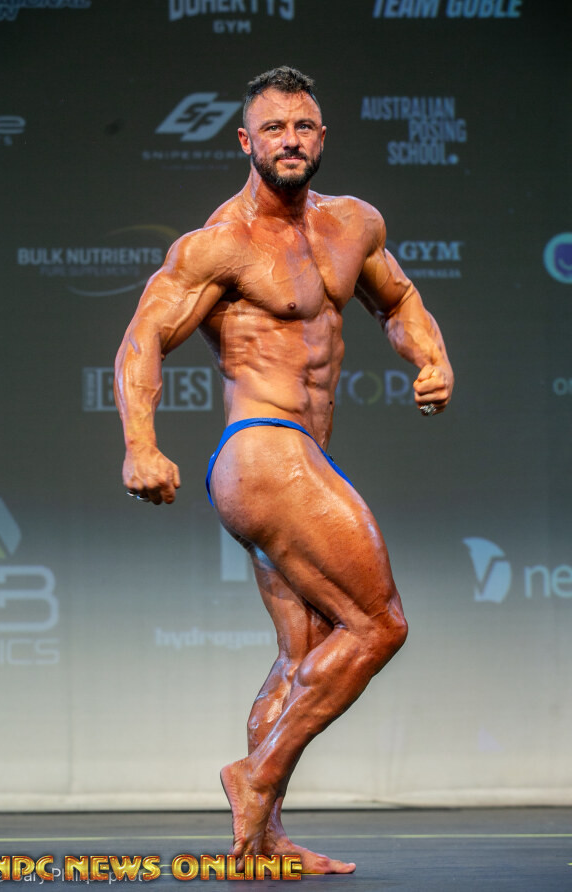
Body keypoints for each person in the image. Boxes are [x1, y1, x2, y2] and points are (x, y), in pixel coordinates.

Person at [115, 66, 453, 874]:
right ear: (246, 141)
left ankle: (260, 841)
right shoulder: (220, 243)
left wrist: (432, 358)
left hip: (301, 454)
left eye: (303, 127)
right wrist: (140, 444)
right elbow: (142, 339)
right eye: (274, 128)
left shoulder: (354, 225)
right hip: (263, 448)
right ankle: (256, 775)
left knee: (304, 655)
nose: (290, 141)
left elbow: (398, 300)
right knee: (380, 624)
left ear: (322, 137)